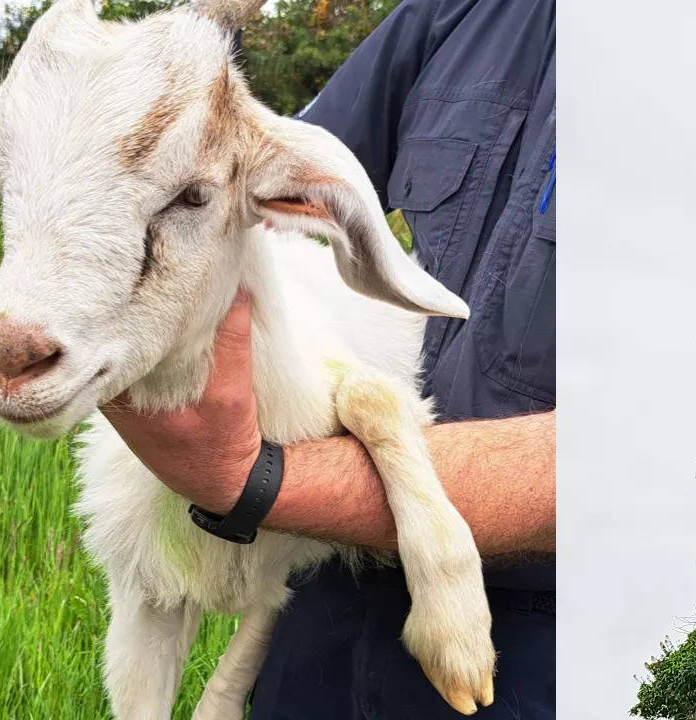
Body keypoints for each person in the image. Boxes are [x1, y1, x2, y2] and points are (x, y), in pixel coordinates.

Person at [99, 0, 556, 717]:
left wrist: (256, 477)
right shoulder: (457, 15)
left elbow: (651, 449)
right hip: (318, 600)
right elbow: (246, 177)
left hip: (538, 642)